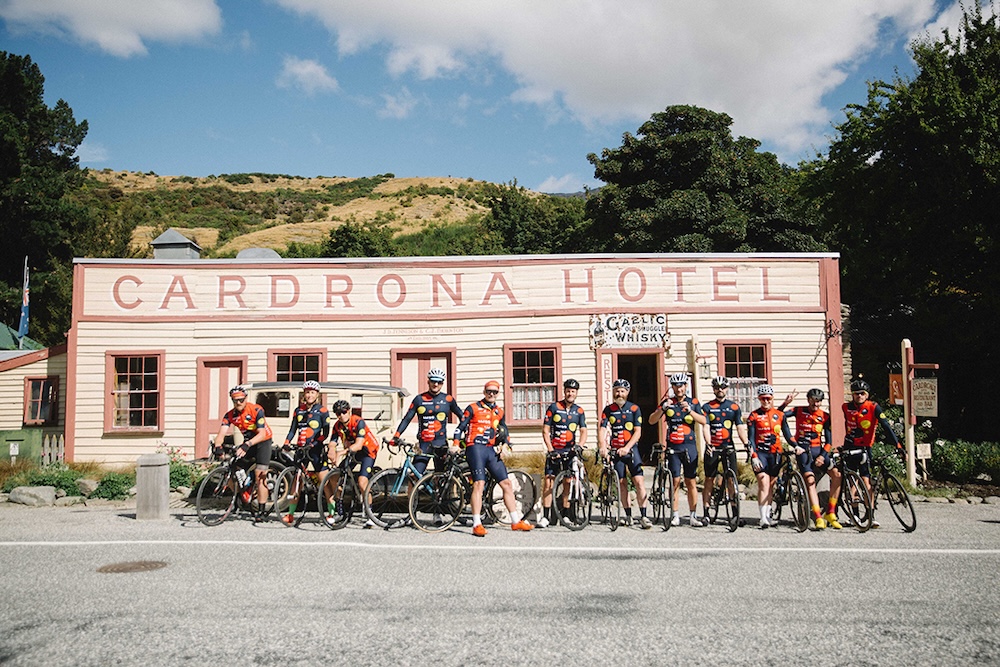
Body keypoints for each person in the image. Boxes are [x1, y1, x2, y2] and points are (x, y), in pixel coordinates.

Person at [453, 380, 533, 536]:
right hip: (475, 447)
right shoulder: (473, 408)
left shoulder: (499, 411)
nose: (491, 394)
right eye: (489, 391)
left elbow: (505, 431)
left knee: (506, 484)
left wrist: (506, 445)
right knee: (479, 484)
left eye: (494, 392)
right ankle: (477, 524)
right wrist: (456, 444)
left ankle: (515, 521)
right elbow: (460, 428)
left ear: (498, 394)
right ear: (484, 392)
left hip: (490, 450)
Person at [841, 378, 902, 528]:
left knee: (866, 481)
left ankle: (870, 515)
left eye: (862, 393)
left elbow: (886, 426)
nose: (859, 396)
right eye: (856, 393)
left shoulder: (874, 407)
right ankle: (855, 515)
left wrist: (898, 445)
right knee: (852, 482)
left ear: (867, 395)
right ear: (852, 395)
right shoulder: (845, 407)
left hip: (865, 448)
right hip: (850, 447)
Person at [650, 372, 707, 527]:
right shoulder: (668, 402)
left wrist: (690, 411)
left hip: (689, 446)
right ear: (672, 387)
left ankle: (693, 515)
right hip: (673, 447)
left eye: (681, 386)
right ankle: (675, 515)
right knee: (674, 481)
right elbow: (652, 420)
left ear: (686, 386)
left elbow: (704, 420)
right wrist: (662, 409)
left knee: (691, 481)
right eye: (675, 386)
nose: (678, 389)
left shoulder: (693, 402)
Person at [213, 385, 275, 520]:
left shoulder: (256, 410)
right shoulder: (230, 415)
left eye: (241, 400)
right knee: (232, 467)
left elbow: (262, 433)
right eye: (235, 400)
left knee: (260, 474)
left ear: (246, 399)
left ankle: (261, 511)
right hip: (248, 441)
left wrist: (247, 445)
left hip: (263, 441)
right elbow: (221, 433)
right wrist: (218, 446)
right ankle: (242, 492)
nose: (238, 402)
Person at [598, 378, 652, 529]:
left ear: (627, 392)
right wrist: (603, 446)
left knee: (639, 482)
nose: (619, 394)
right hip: (616, 451)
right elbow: (602, 429)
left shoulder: (634, 409)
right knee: (622, 484)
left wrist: (627, 447)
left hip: (631, 450)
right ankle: (628, 515)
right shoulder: (608, 410)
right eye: (617, 391)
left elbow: (638, 432)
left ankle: (644, 515)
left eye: (622, 391)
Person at [783, 387, 839, 530]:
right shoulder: (799, 410)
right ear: (808, 400)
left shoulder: (825, 416)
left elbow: (829, 442)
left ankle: (831, 512)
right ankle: (818, 517)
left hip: (818, 450)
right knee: (810, 480)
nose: (816, 404)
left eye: (819, 401)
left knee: (837, 475)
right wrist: (785, 404)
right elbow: (778, 416)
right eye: (813, 401)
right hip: (803, 451)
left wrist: (822, 456)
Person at [278, 380, 333, 525]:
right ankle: (290, 514)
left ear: (317, 394)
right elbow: (292, 430)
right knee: (296, 481)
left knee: (324, 482)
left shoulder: (322, 411)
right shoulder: (298, 410)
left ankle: (331, 513)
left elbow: (325, 433)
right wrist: (286, 442)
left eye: (312, 393)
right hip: (301, 449)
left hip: (316, 450)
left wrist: (314, 443)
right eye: (307, 392)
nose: (309, 395)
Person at [393, 368, 464, 475]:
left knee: (441, 477)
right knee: (414, 475)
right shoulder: (419, 399)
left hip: (441, 444)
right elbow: (407, 419)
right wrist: (396, 435)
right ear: (428, 382)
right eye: (433, 381)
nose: (436, 384)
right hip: (424, 444)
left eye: (439, 382)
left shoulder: (448, 399)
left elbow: (463, 418)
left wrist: (458, 440)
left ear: (442, 383)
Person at [539, 378, 588, 528]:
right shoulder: (554, 407)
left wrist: (580, 445)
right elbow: (545, 430)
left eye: (573, 391)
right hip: (555, 450)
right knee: (549, 482)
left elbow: (583, 430)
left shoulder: (579, 411)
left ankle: (566, 515)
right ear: (564, 391)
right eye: (568, 391)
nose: (570, 393)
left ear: (576, 393)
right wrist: (550, 449)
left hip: (570, 451)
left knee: (568, 482)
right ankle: (545, 517)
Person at [700, 376, 748, 524]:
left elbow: (740, 427)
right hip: (713, 447)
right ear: (713, 390)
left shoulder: (734, 407)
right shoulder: (707, 407)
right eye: (717, 387)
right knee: (709, 479)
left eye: (722, 387)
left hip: (728, 447)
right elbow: (706, 427)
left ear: (727, 389)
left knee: (731, 479)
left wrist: (746, 443)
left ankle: (735, 514)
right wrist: (708, 443)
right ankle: (706, 513)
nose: (720, 390)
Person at [746, 384, 795, 529]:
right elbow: (750, 439)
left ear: (772, 398)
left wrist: (796, 446)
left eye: (768, 398)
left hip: (776, 454)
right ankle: (762, 518)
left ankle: (768, 515)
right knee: (763, 482)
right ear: (759, 399)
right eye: (763, 399)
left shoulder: (779, 415)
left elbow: (788, 435)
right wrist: (753, 456)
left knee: (771, 485)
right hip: (760, 453)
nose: (766, 401)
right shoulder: (754, 416)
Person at [329, 398, 380, 519]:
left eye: (344, 412)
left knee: (362, 481)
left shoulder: (358, 422)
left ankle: (370, 513)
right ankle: (340, 511)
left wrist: (340, 453)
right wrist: (331, 451)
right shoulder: (337, 426)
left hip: (368, 451)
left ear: (349, 411)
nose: (342, 415)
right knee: (335, 476)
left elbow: (359, 445)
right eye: (338, 413)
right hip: (353, 451)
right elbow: (333, 442)